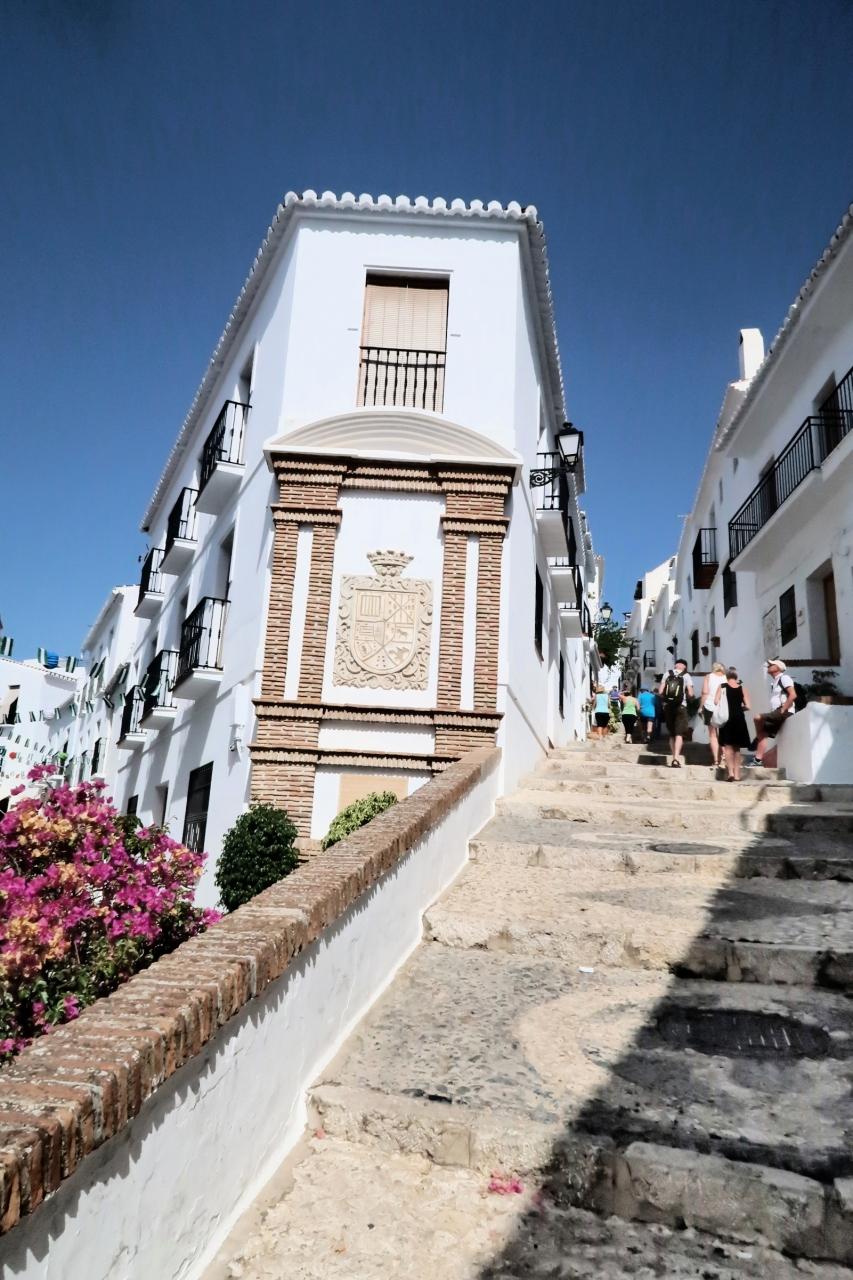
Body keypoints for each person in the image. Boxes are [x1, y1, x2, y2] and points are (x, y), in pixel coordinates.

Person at [753, 657, 796, 764]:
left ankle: (758, 736)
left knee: (757, 717)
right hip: (777, 712)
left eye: (772, 664)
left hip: (784, 711)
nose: (769, 666)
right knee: (763, 734)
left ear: (778, 668)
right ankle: (758, 760)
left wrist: (783, 709)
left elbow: (793, 695)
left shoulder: (784, 678)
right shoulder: (775, 682)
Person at [715, 666, 752, 782]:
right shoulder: (742, 688)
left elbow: (716, 701)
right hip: (739, 718)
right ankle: (737, 775)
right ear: (736, 676)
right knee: (737, 748)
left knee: (728, 747)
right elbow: (748, 706)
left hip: (726, 718)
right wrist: (740, 709)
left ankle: (730, 773)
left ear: (726, 676)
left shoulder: (722, 687)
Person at [658, 658, 694, 768]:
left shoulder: (667, 674)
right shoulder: (686, 675)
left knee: (672, 734)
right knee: (679, 734)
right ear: (684, 667)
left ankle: (673, 755)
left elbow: (660, 691)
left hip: (668, 706)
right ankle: (676, 758)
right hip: (681, 706)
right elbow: (691, 694)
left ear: (676, 665)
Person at [701, 662, 727, 769]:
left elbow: (705, 692)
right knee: (723, 733)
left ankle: (716, 760)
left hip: (709, 706)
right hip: (723, 708)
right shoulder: (726, 678)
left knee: (713, 735)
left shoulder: (708, 677)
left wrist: (700, 707)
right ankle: (724, 757)